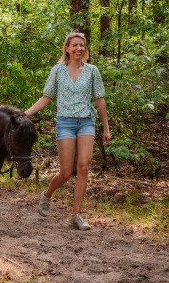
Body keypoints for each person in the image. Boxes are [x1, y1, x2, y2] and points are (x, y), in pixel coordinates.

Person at [25, 32, 111, 231]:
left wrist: (106, 128)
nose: (79, 49)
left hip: (86, 122)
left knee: (83, 167)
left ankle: (76, 215)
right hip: (65, 122)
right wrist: (25, 114)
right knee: (65, 173)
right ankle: (47, 195)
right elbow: (47, 97)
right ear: (67, 48)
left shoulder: (92, 71)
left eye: (82, 45)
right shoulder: (57, 70)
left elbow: (99, 99)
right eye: (75, 45)